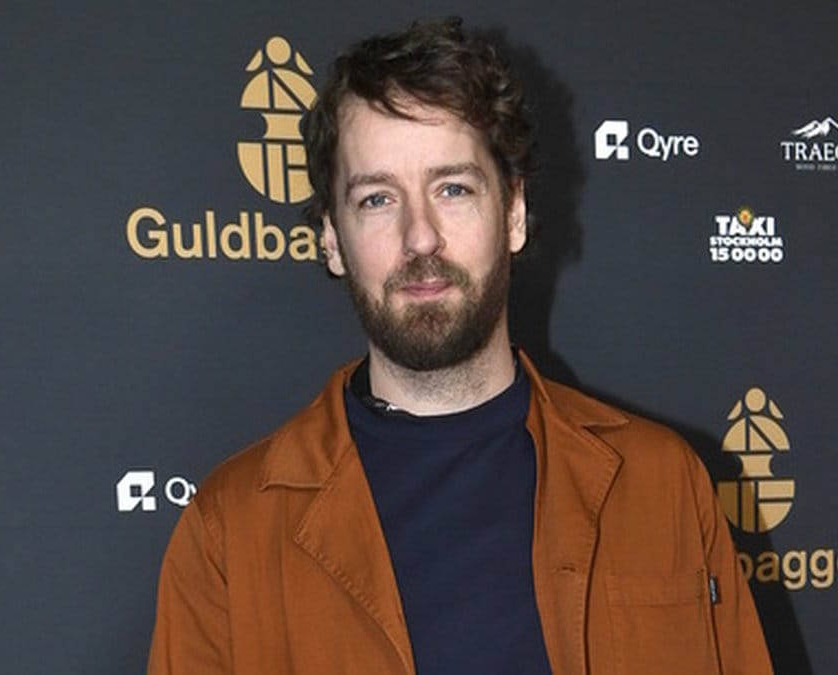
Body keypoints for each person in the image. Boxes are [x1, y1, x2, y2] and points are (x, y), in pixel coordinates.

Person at [148, 17, 773, 675]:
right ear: (331, 239)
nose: (420, 236)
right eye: (377, 199)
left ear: (513, 213)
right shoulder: (229, 533)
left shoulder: (663, 483)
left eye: (452, 188)